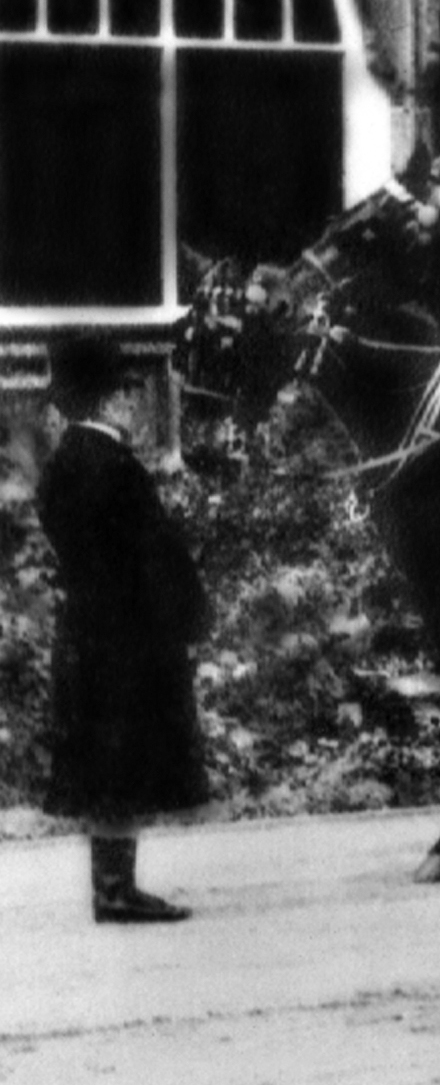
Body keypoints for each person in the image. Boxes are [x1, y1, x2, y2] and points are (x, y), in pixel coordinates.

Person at [36, 333, 210, 924]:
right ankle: (115, 890)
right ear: (109, 403)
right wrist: (188, 613)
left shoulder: (62, 464)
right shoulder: (113, 467)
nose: (134, 405)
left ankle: (111, 883)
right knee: (122, 759)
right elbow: (151, 553)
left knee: (106, 760)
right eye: (127, 396)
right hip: (127, 634)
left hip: (86, 629)